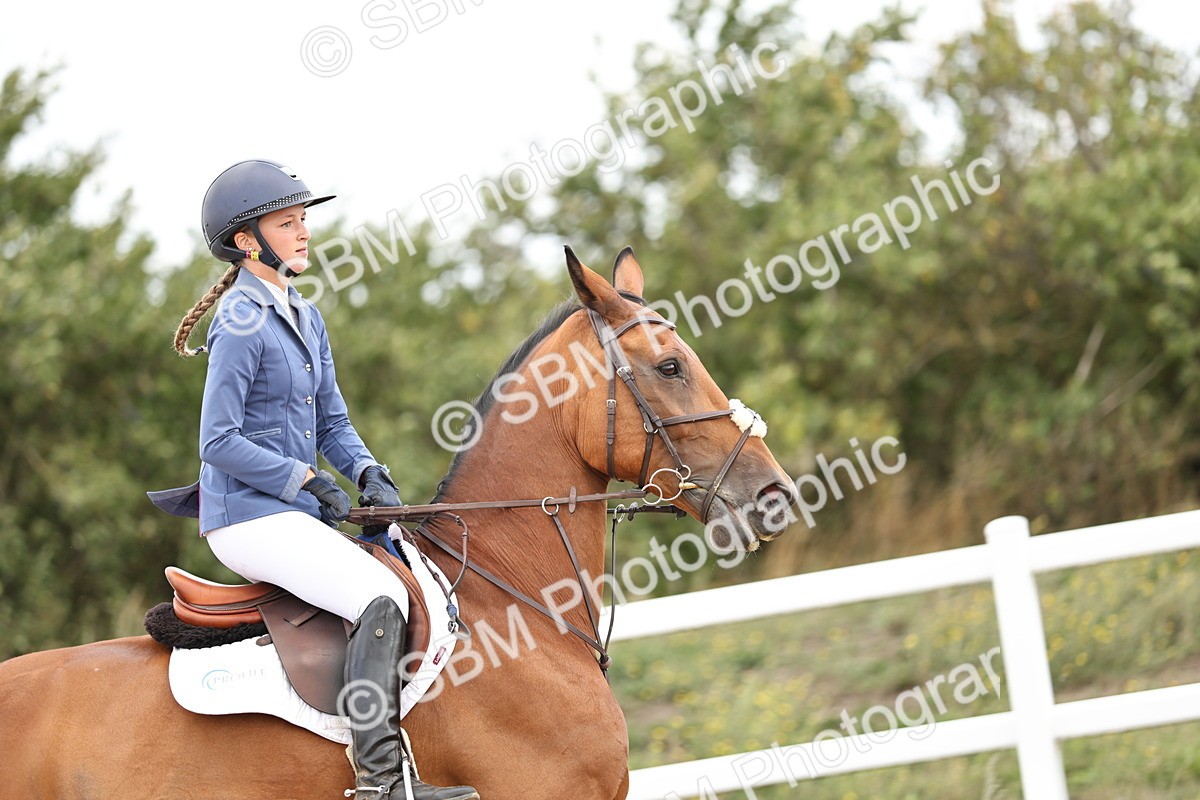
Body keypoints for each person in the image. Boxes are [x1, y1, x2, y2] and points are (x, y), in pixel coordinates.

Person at [154, 159, 477, 800]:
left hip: (289, 512)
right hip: (246, 517)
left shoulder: (304, 314)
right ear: (247, 240)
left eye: (303, 220)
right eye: (288, 223)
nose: (304, 232)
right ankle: (380, 781)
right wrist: (303, 479)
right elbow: (217, 441)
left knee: (407, 573)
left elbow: (333, 422)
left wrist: (368, 472)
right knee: (377, 597)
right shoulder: (239, 322)